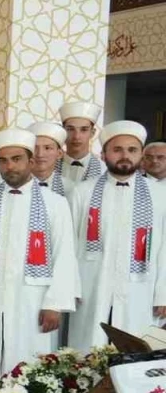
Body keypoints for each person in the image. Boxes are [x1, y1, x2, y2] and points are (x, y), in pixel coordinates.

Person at [0, 129, 79, 386]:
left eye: (17, 159)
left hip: (34, 296)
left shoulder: (55, 203)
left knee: (32, 360)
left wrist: (55, 303)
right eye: (3, 160)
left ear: (31, 161)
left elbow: (64, 254)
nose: (10, 166)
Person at [68, 120, 166, 351]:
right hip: (92, 285)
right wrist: (70, 287)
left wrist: (163, 295)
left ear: (141, 155)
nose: (125, 156)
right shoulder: (82, 192)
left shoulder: (160, 195)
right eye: (117, 149)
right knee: (87, 350)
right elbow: (69, 245)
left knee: (137, 350)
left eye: (132, 150)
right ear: (103, 154)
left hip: (140, 288)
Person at [60, 100, 107, 185]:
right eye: (70, 129)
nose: (76, 136)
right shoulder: (48, 168)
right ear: (62, 132)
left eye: (84, 130)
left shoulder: (104, 171)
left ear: (92, 133)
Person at [29, 121, 69, 195]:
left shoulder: (70, 188)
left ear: (59, 154)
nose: (40, 154)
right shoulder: (14, 186)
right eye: (34, 148)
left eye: (47, 148)